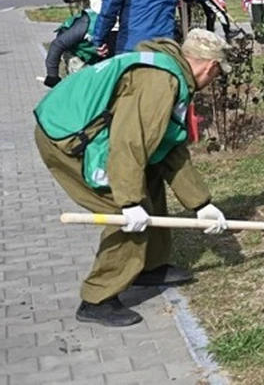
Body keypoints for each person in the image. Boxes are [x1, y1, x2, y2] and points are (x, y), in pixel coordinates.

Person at [34, 29, 231, 327]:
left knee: (149, 176)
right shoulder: (159, 83)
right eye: (217, 73)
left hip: (83, 129)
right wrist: (127, 201)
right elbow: (130, 142)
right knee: (124, 215)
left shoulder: (169, 70)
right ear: (209, 66)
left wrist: (201, 204)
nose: (215, 79)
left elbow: (167, 148)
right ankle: (97, 298)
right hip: (66, 138)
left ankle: (149, 267)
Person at [43, 0, 101, 87]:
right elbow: (57, 45)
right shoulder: (85, 25)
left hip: (93, 53)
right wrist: (52, 75)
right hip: (75, 52)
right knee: (83, 84)